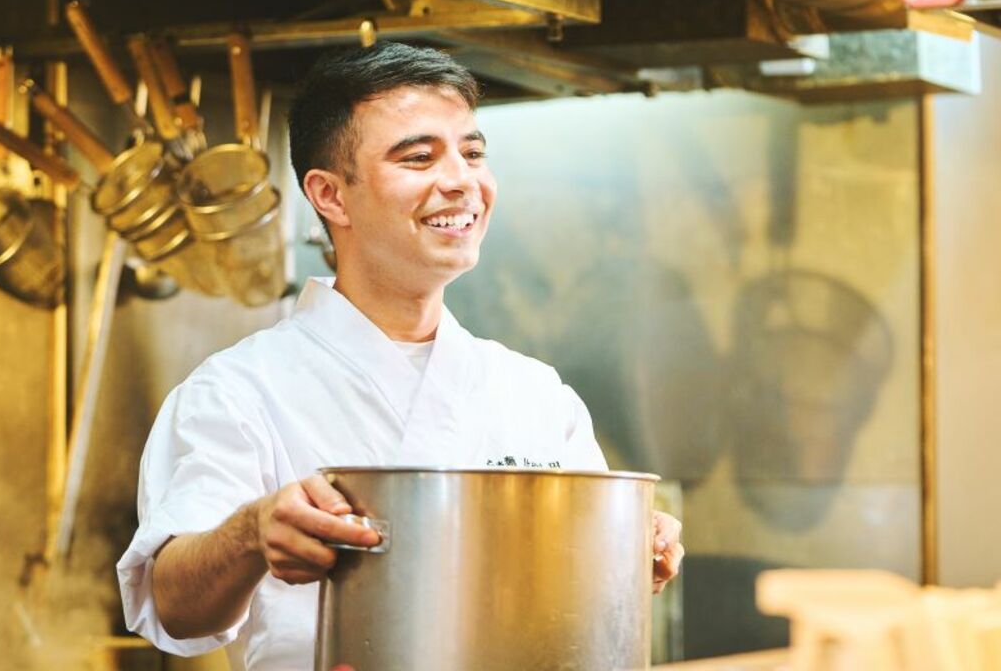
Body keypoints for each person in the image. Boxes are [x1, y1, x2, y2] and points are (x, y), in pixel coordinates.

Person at [116, 42, 685, 670]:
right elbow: (172, 606)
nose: (461, 181)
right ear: (330, 195)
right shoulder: (237, 391)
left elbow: (579, 605)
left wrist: (632, 548)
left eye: (471, 153)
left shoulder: (535, 393)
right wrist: (251, 532)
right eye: (419, 157)